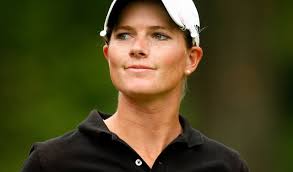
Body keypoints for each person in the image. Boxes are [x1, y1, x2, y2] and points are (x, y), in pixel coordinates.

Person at [21, 0, 249, 171]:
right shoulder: (53, 163)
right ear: (108, 54)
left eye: (159, 35)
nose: (137, 48)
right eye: (124, 35)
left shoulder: (226, 166)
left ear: (191, 59)